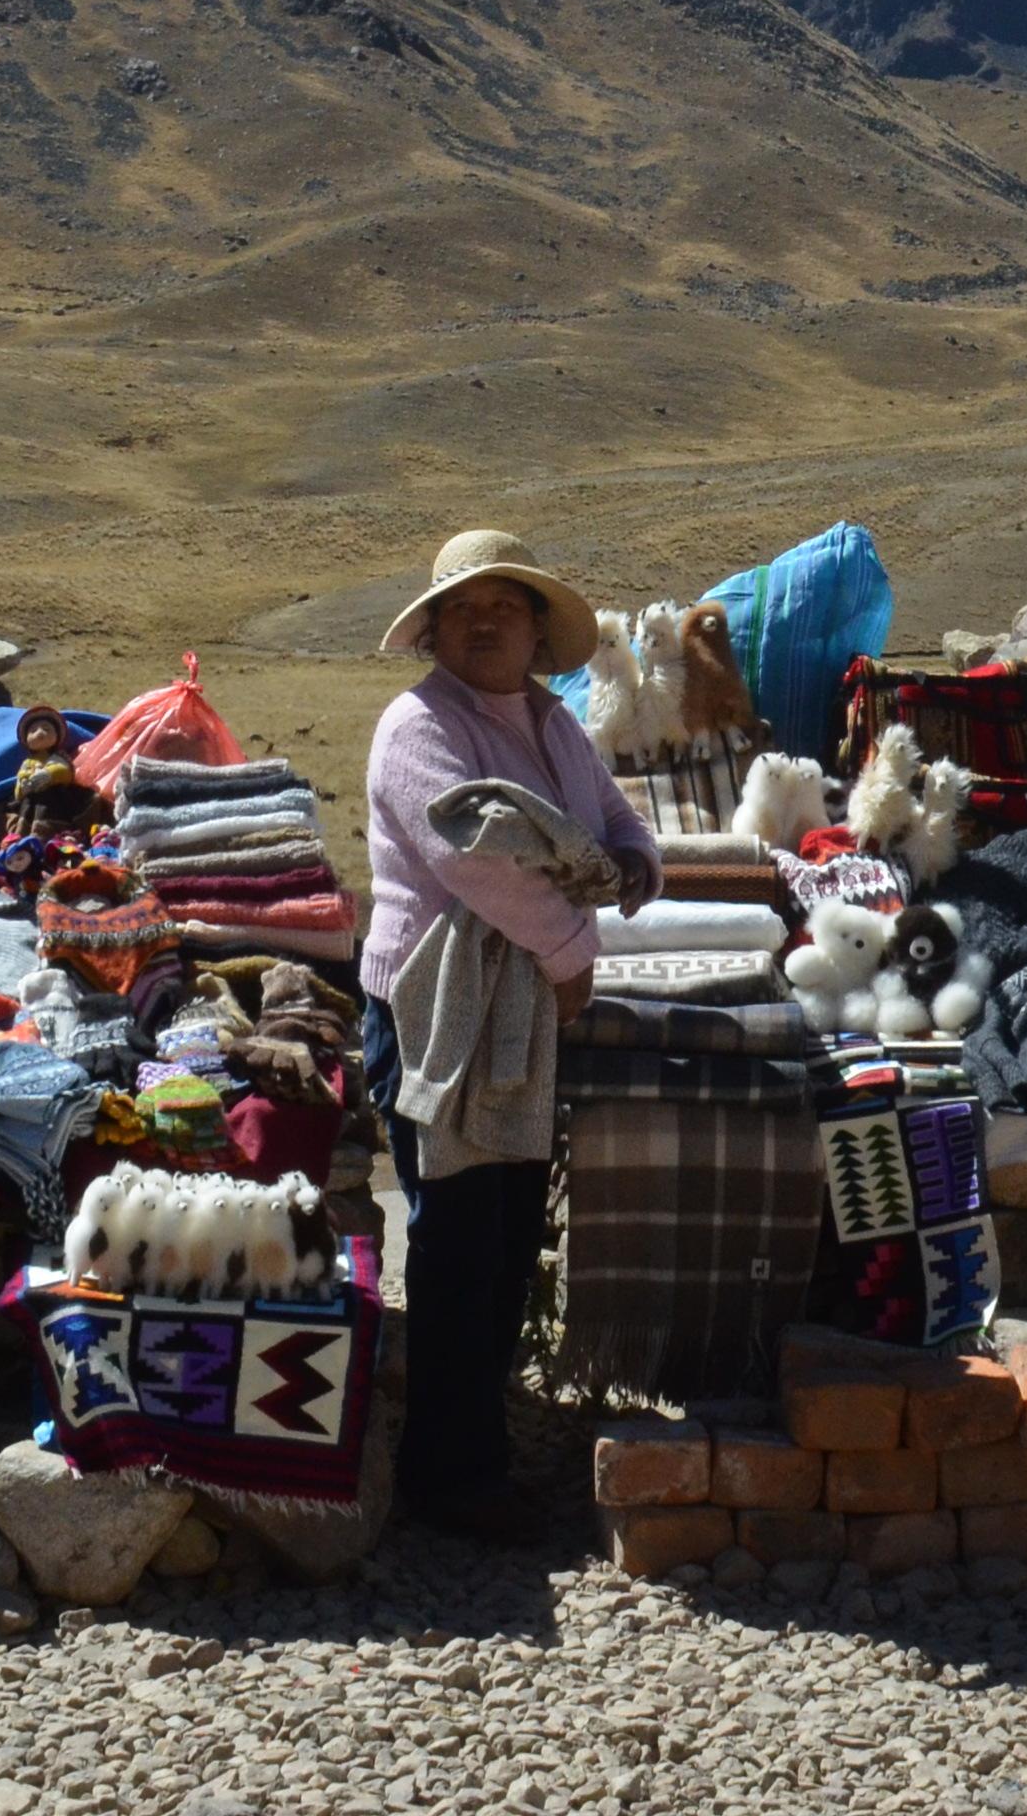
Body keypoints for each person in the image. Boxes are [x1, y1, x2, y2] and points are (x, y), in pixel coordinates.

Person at [358, 526, 659, 1538]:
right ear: (433, 628)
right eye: (463, 608)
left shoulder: (550, 721)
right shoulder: (418, 728)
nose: (484, 623)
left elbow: (606, 812)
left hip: (520, 1005)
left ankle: (480, 1442)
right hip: (440, 1009)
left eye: (505, 607)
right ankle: (447, 1480)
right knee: (455, 1241)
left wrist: (633, 856)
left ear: (536, 629)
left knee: (505, 1234)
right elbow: (479, 862)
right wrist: (573, 951)